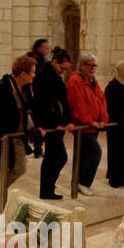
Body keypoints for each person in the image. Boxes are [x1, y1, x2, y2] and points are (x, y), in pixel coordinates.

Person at [0, 54, 37, 212]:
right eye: (32, 73)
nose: (34, 76)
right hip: (3, 137)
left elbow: (27, 111)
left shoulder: (24, 88)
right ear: (23, 74)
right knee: (1, 169)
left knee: (18, 168)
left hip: (17, 136)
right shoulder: (2, 87)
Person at [33, 46, 75, 199]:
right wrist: (52, 124)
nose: (63, 71)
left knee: (53, 156)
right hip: (49, 126)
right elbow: (40, 105)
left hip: (57, 125)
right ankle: (46, 189)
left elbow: (63, 101)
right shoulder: (43, 77)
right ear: (55, 61)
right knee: (59, 156)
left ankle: (47, 188)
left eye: (65, 70)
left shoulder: (56, 78)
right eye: (62, 68)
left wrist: (68, 121)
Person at [66, 52, 107, 195]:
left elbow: (101, 100)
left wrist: (103, 119)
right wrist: (91, 122)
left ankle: (79, 182)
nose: (92, 68)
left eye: (94, 65)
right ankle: (83, 182)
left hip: (93, 126)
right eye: (89, 65)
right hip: (83, 126)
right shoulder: (75, 81)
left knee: (85, 155)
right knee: (96, 152)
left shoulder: (93, 81)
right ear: (81, 66)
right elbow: (78, 105)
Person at [26, 39, 51, 157]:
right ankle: (37, 148)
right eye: (45, 47)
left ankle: (37, 148)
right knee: (37, 121)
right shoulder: (38, 60)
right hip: (36, 95)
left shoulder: (32, 57)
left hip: (34, 94)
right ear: (39, 48)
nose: (47, 50)